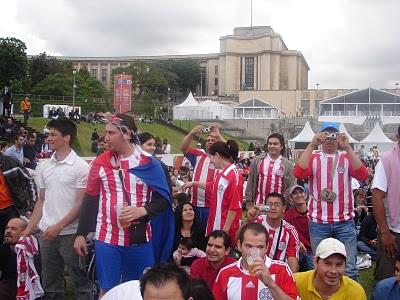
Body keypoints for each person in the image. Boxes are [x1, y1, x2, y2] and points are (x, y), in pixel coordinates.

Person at [73, 113, 174, 295]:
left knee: (139, 290)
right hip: (107, 239)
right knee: (107, 290)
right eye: (106, 132)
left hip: (140, 240)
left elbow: (164, 201)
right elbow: (90, 199)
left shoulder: (149, 163)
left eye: (111, 133)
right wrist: (81, 233)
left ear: (126, 134)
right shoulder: (100, 162)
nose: (106, 138)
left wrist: (142, 210)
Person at [22, 118, 91, 299]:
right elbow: (41, 200)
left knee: (80, 282)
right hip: (46, 234)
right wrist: (28, 230)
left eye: (53, 134)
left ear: (67, 137)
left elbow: (80, 204)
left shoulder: (81, 167)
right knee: (50, 283)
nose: (48, 138)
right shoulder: (44, 166)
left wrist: (58, 227)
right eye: (49, 134)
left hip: (71, 234)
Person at [294, 122, 368, 280]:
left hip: (345, 221)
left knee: (349, 267)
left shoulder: (346, 157)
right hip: (319, 221)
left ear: (339, 136)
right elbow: (299, 173)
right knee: (320, 264)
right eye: (327, 134)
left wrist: (347, 147)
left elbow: (362, 175)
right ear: (321, 136)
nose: (330, 138)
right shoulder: (313, 157)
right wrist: (312, 144)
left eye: (334, 135)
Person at [213, 222, 298, 300]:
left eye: (259, 247)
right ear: (239, 245)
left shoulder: (282, 270)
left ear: (267, 247)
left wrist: (271, 284)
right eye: (249, 246)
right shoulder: (225, 273)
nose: (254, 253)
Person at [181, 140, 242, 244]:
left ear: (217, 155)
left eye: (211, 157)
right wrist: (194, 183)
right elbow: (213, 186)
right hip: (215, 225)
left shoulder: (233, 175)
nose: (211, 161)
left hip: (223, 229)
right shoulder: (222, 173)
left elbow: (234, 206)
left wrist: (225, 230)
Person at [180, 125, 225, 229]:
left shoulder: (223, 159)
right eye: (208, 140)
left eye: (213, 140)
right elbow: (183, 148)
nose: (209, 141)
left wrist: (218, 135)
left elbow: (230, 150)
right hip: (195, 205)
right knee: (196, 235)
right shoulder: (199, 155)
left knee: (210, 235)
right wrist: (191, 134)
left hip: (213, 206)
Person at [294, 238, 367, 300]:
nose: (333, 271)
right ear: (315, 262)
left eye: (339, 264)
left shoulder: (356, 292)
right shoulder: (295, 282)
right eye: (327, 264)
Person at [371, 124, 400, 281]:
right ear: (397, 138)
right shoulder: (387, 161)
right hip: (392, 230)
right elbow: (376, 196)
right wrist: (385, 232)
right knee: (387, 279)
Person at [245, 133, 295, 220]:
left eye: (275, 144)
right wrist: (249, 203)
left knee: (274, 231)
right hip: (259, 206)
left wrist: (284, 205)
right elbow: (250, 182)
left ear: (282, 146)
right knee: (258, 231)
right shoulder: (257, 161)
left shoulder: (288, 166)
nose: (272, 146)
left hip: (277, 208)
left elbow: (290, 187)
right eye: (270, 143)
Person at [249, 192, 300, 273]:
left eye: (277, 204)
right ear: (265, 207)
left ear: (284, 209)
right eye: (269, 204)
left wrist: (291, 279)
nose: (273, 207)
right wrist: (248, 219)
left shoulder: (290, 230)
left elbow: (292, 258)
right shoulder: (257, 221)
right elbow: (239, 240)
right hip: (254, 269)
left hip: (278, 272)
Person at [284, 184, 314, 271]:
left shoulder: (314, 212)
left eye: (301, 192)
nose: (299, 195)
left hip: (313, 250)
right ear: (291, 198)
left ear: (305, 195)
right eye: (295, 193)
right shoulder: (288, 215)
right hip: (298, 250)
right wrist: (298, 242)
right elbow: (286, 234)